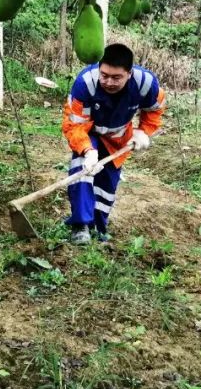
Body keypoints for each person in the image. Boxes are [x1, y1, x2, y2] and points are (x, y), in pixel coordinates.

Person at [61, 43, 165, 245]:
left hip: (117, 137)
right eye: (104, 75)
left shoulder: (145, 83)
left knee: (107, 183)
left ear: (129, 73)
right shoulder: (86, 83)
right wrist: (88, 150)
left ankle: (99, 227)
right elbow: (74, 125)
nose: (108, 82)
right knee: (82, 170)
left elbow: (155, 108)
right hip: (87, 130)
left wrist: (143, 131)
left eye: (116, 77)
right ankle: (80, 226)